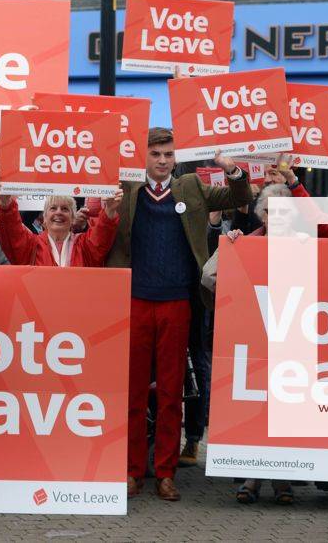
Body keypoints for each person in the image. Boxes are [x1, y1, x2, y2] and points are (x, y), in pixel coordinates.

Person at [106, 127, 253, 501]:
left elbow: (241, 198)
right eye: (155, 154)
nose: (162, 160)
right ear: (144, 157)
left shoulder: (191, 187)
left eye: (168, 154)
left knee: (172, 392)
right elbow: (98, 217)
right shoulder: (125, 190)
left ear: (176, 157)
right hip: (134, 299)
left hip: (177, 301)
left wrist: (231, 170)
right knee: (134, 394)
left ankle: (166, 473)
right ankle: (132, 470)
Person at [202, 183, 299, 505]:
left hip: (291, 340)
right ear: (262, 214)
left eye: (284, 210)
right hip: (253, 341)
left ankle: (283, 479)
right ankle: (252, 477)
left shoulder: (306, 245)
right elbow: (208, 276)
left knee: (284, 411)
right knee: (255, 411)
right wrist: (230, 250)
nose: (277, 216)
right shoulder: (247, 242)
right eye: (271, 210)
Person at [0, 188, 122, 266]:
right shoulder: (32, 245)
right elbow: (12, 235)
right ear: (44, 218)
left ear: (73, 218)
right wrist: (6, 204)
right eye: (53, 208)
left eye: (65, 209)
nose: (59, 212)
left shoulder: (85, 246)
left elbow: (103, 233)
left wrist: (110, 210)